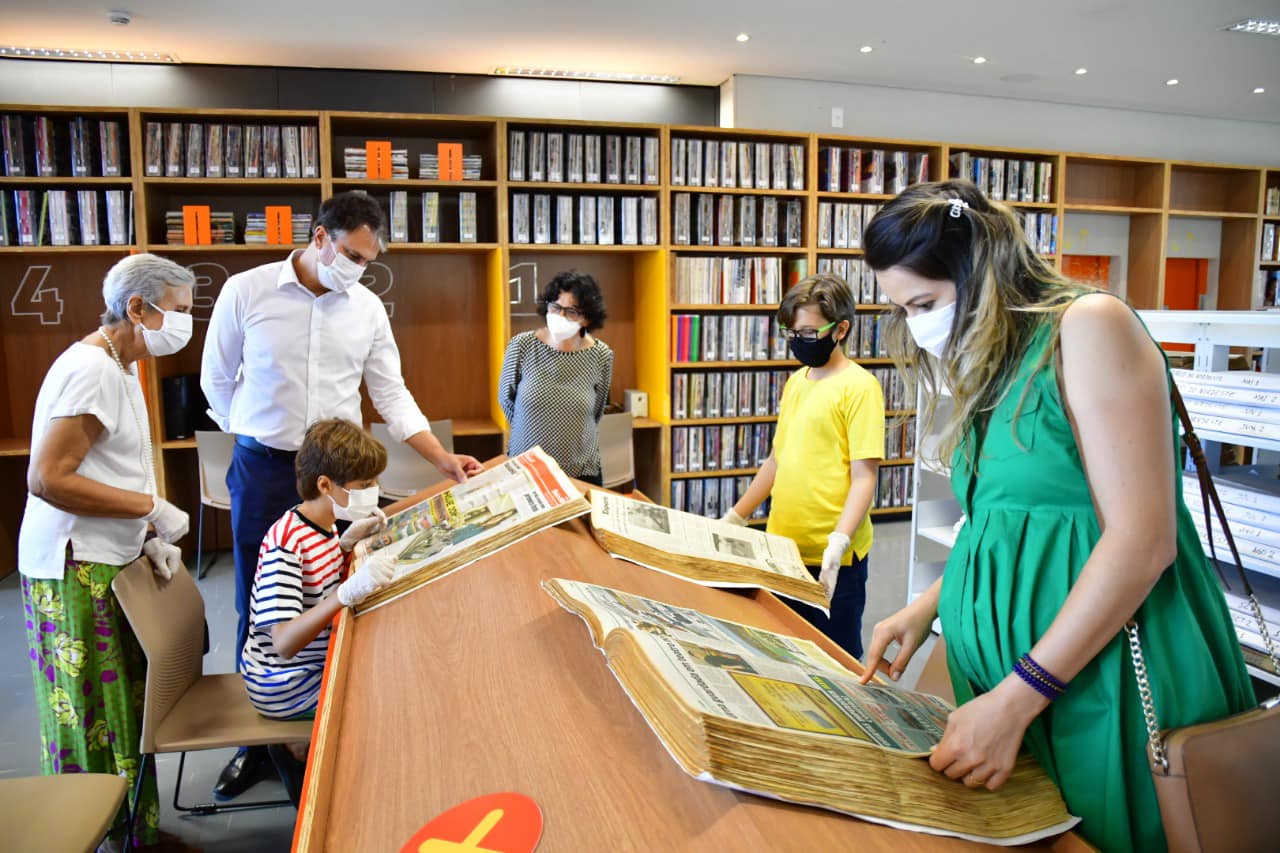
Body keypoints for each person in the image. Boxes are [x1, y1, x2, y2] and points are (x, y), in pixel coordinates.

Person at [858, 180, 1255, 852]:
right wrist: (931, 603)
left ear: (978, 267)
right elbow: (1009, 527)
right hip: (1024, 687)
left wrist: (1020, 695)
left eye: (924, 303)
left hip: (1104, 686)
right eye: (904, 310)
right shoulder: (996, 360)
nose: (919, 326)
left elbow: (1141, 539)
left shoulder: (1088, 325)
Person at [201, 190, 482, 800]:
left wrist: (441, 459)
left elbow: (392, 393)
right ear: (321, 237)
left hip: (338, 475)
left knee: (343, 581)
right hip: (265, 465)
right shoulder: (247, 291)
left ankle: (327, 721)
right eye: (353, 253)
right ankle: (258, 741)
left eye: (369, 258)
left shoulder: (366, 309)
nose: (359, 268)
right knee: (258, 594)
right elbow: (216, 380)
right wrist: (254, 430)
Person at [19, 254, 195, 849]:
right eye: (177, 311)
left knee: (123, 706)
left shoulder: (120, 366)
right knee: (93, 710)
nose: (183, 324)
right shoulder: (92, 368)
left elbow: (106, 465)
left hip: (107, 555)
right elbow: (48, 479)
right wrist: (148, 508)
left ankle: (134, 833)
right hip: (75, 563)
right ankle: (95, 834)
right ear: (137, 308)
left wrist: (144, 537)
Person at [724, 274, 885, 659]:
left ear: (841, 329)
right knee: (787, 649)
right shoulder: (797, 382)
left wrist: (839, 542)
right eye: (793, 332)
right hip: (784, 548)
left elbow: (865, 477)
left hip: (834, 558)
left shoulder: (860, 388)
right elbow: (778, 459)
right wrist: (736, 517)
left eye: (810, 333)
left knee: (836, 657)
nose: (799, 341)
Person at [240, 419, 395, 806]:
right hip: (284, 682)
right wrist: (344, 595)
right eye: (363, 487)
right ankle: (329, 786)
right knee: (380, 699)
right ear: (325, 485)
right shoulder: (286, 544)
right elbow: (283, 643)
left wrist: (344, 545)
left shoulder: (320, 524)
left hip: (306, 668)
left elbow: (316, 583)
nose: (373, 493)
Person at [498, 271, 614, 485]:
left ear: (587, 317)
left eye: (571, 311)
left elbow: (596, 411)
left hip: (580, 470)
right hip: (526, 467)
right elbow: (506, 399)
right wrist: (532, 427)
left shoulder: (602, 355)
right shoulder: (522, 345)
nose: (560, 316)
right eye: (556, 307)